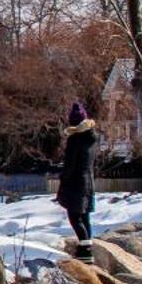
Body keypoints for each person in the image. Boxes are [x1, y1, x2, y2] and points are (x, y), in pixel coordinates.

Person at [57, 102, 98, 246]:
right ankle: (88, 249)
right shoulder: (91, 138)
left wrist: (62, 179)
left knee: (75, 218)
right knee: (85, 217)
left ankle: (85, 251)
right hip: (89, 182)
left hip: (76, 185)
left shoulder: (75, 141)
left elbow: (70, 166)